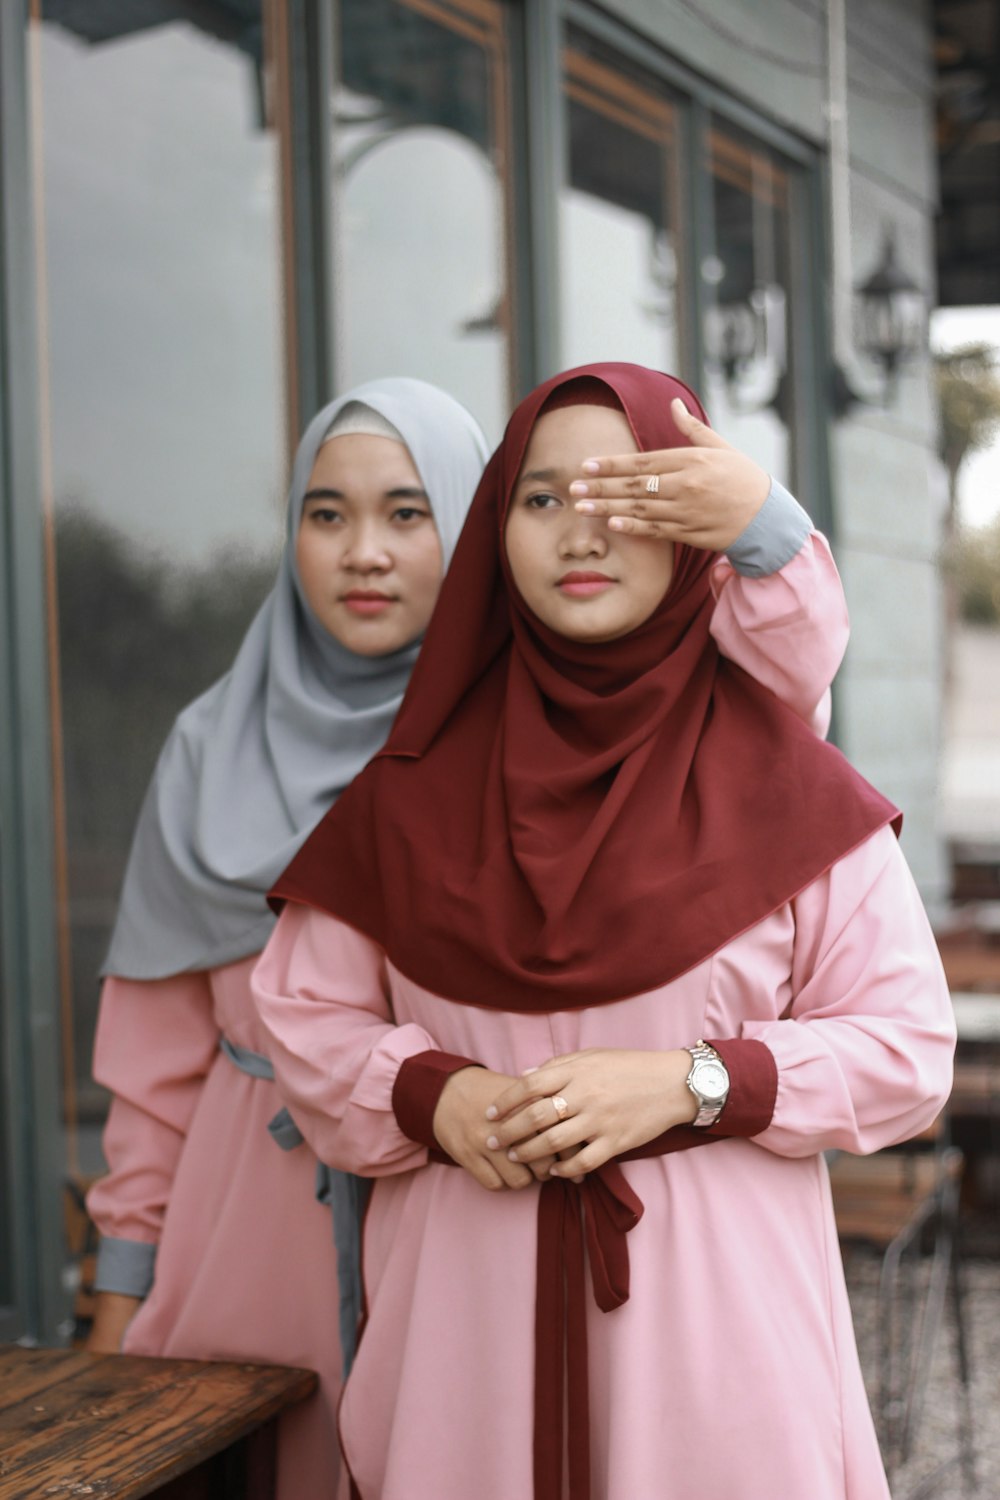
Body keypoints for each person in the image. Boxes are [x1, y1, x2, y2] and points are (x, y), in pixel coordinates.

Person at [253, 363, 956, 1500]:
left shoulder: (787, 789)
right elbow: (302, 1019)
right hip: (461, 1353)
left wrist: (691, 1083)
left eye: (625, 494)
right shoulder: (408, 797)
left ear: (692, 531)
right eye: (540, 500)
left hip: (719, 1353)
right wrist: (435, 1096)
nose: (581, 532)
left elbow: (908, 1052)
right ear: (496, 531)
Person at [84, 377, 490, 1500]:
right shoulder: (210, 747)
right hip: (245, 1231)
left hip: (462, 1215)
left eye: (408, 513)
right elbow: (153, 1071)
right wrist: (118, 1304)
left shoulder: (518, 743)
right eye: (326, 514)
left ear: (468, 527)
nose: (363, 551)